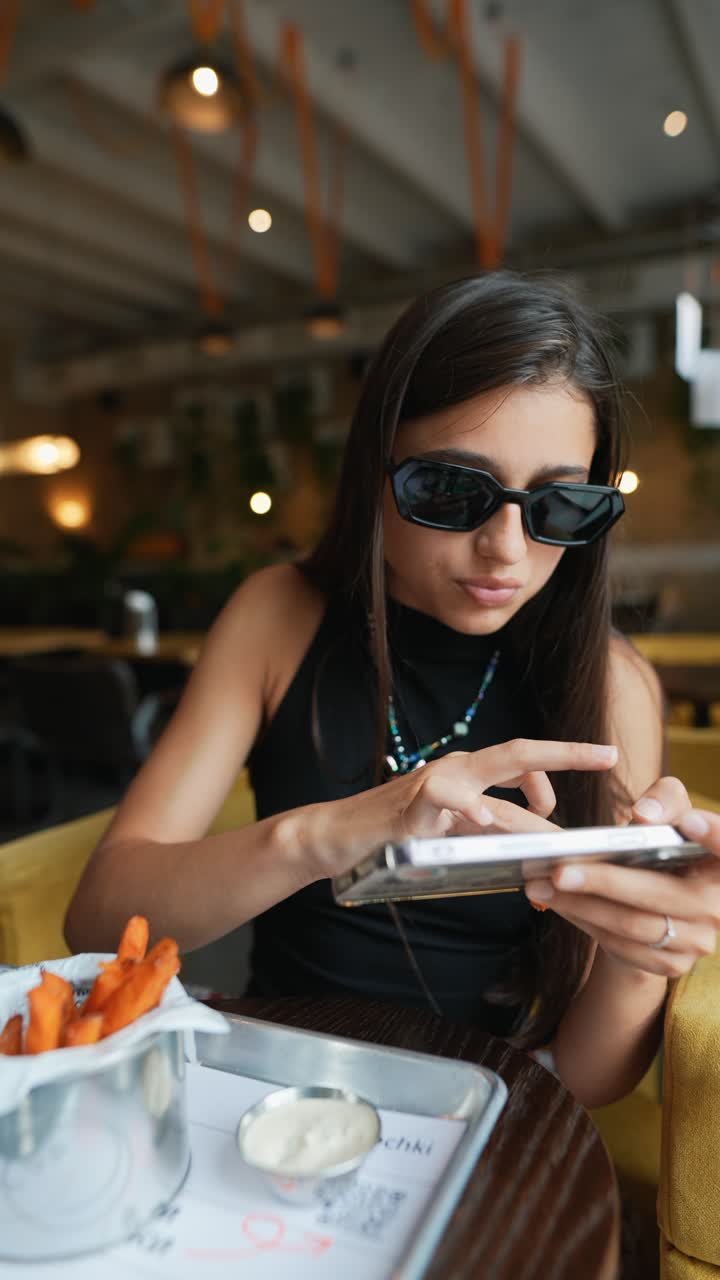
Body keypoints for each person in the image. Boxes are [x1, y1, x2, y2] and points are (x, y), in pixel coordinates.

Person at [65, 272, 720, 1109]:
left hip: (482, 1103)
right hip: (278, 1082)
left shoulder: (611, 683)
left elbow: (590, 1080)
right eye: (452, 491)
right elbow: (98, 920)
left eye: (559, 505)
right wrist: (329, 835)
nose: (507, 550)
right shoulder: (280, 615)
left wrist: (638, 955)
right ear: (375, 472)